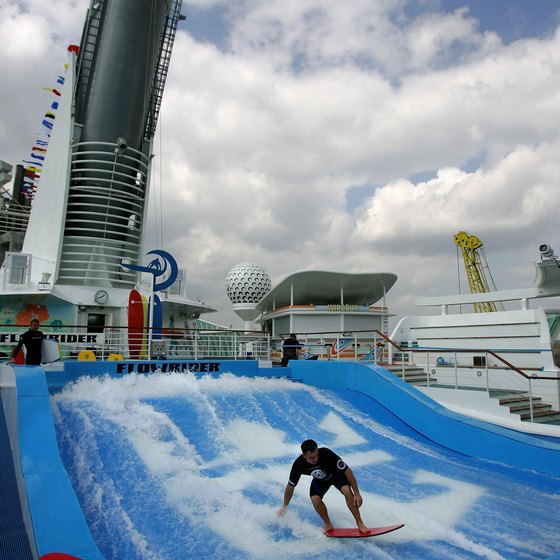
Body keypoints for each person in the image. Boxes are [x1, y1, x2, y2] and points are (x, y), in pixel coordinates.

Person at [277, 439, 368, 533]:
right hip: (320, 481)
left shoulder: (326, 453)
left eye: (316, 455)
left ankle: (359, 522)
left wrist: (357, 493)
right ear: (304, 456)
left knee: (347, 490)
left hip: (336, 476)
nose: (315, 459)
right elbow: (290, 486)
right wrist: (285, 506)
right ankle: (328, 523)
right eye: (312, 457)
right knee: (315, 499)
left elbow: (348, 471)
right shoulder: (298, 465)